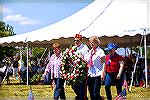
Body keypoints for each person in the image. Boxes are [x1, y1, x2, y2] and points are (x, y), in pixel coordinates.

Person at [72, 33, 89, 100]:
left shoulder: (85, 48)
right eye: (75, 40)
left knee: (82, 85)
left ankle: (82, 97)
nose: (76, 42)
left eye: (77, 40)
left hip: (82, 69)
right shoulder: (73, 48)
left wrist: (80, 58)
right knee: (73, 85)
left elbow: (87, 60)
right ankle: (80, 96)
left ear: (81, 41)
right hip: (74, 69)